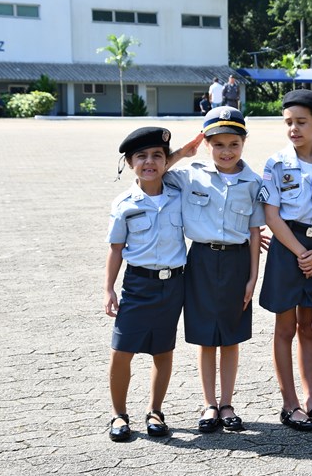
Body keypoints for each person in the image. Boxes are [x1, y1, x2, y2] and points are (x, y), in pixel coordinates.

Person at [165, 106, 263, 433]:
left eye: (233, 143)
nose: (226, 151)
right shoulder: (191, 172)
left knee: (231, 337)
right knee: (206, 338)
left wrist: (253, 277)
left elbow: (253, 234)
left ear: (244, 143)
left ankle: (228, 403)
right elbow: (152, 170)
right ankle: (209, 404)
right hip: (201, 261)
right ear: (206, 144)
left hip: (236, 263)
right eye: (217, 144)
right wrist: (183, 151)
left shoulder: (253, 181)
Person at [258, 89, 312, 431]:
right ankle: (290, 404)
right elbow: (271, 213)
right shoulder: (276, 163)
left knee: (309, 328)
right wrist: (300, 253)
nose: (293, 129)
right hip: (288, 249)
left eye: (301, 122)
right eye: (288, 123)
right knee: (284, 328)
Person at [104, 127, 186, 442]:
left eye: (157, 156)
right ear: (128, 161)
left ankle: (155, 411)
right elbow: (116, 250)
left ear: (167, 161)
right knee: (121, 351)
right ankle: (119, 415)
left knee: (163, 351)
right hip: (138, 285)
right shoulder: (124, 203)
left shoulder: (179, 194)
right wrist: (108, 289)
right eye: (141, 156)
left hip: (173, 285)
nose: (150, 162)